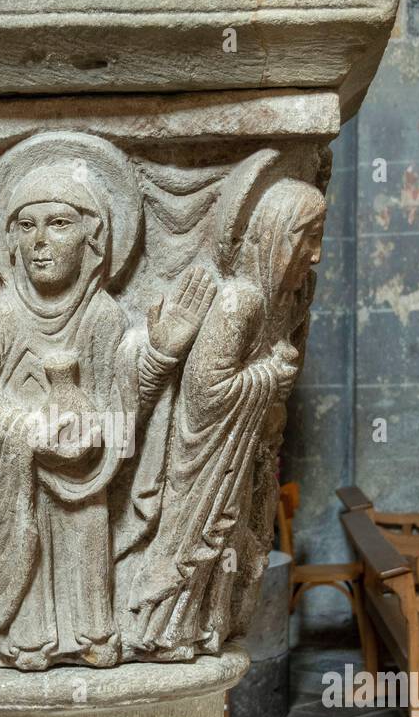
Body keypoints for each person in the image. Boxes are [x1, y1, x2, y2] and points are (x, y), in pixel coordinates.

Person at [0, 157, 213, 671]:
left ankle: (93, 633)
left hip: (87, 472)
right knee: (34, 546)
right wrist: (24, 428)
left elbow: (124, 401)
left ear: (93, 241)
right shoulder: (5, 313)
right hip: (21, 470)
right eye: (27, 226)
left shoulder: (102, 316)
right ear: (10, 242)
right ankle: (29, 640)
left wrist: (158, 356)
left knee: (84, 537)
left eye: (59, 223)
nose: (40, 241)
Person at [129, 175, 326, 659]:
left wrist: (273, 378)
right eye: (309, 238)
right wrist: (268, 374)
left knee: (236, 545)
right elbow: (204, 392)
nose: (316, 255)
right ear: (279, 235)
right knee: (197, 542)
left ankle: (206, 628)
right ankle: (162, 631)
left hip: (248, 452)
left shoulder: (290, 298)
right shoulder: (241, 300)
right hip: (207, 458)